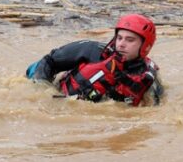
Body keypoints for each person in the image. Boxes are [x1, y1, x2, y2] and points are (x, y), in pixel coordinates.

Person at [26, 14, 163, 106]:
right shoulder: (91, 51)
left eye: (130, 40)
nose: (121, 44)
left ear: (146, 46)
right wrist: (42, 94)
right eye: (119, 38)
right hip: (60, 94)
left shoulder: (149, 78)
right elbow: (49, 61)